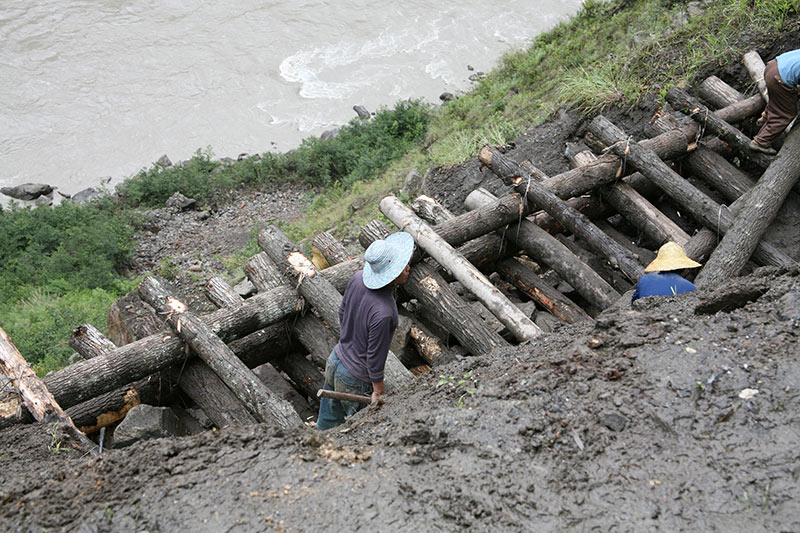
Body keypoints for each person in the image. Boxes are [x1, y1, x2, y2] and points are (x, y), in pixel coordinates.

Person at [316, 231, 414, 430]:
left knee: (326, 425)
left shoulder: (358, 278)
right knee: (359, 430)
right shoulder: (385, 312)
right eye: (402, 267)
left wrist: (351, 338)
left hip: (335, 360)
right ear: (391, 274)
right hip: (354, 378)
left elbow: (342, 312)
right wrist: (378, 391)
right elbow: (374, 357)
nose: (408, 268)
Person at [749, 49, 800, 156]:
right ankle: (761, 142)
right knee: (785, 114)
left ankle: (766, 115)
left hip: (773, 66)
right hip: (780, 78)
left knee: (781, 99)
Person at [632, 242, 701, 304]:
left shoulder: (645, 280)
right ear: (684, 267)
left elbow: (633, 304)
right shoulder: (691, 289)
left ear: (660, 265)